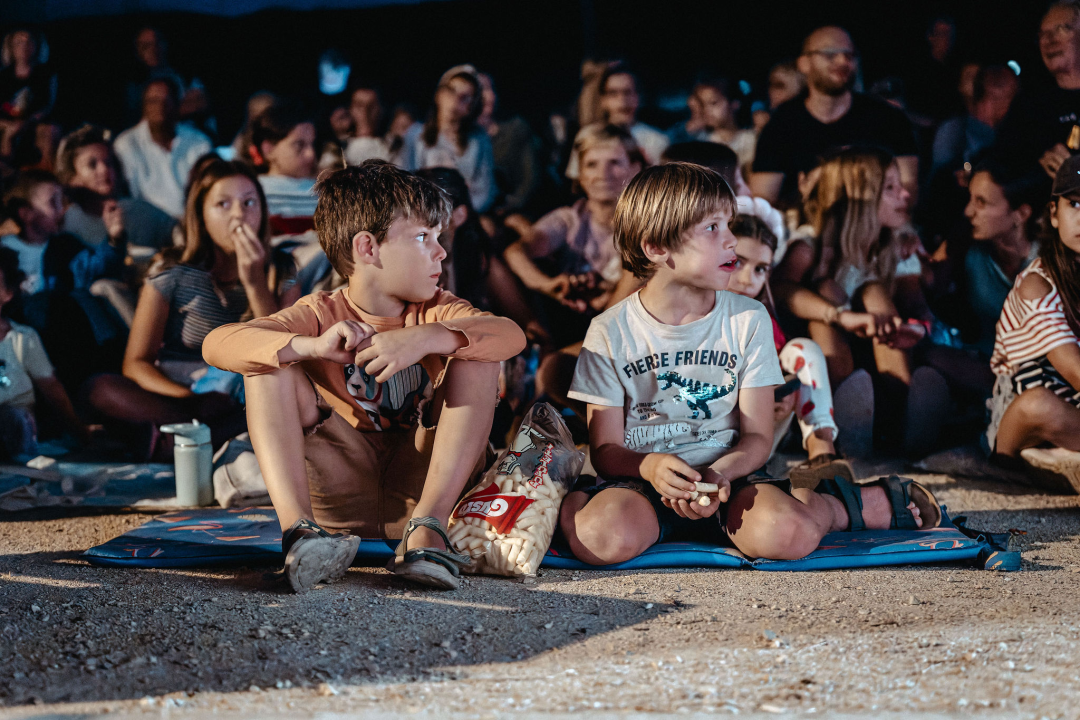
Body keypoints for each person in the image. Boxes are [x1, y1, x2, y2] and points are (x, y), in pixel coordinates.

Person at [558, 162, 939, 566]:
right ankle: (573, 502)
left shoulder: (748, 318)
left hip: (728, 480)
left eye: (730, 225)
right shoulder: (609, 330)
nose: (732, 242)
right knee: (599, 539)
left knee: (790, 535)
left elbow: (757, 437)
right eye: (713, 228)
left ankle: (840, 506)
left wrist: (718, 475)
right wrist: (649, 466)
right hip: (640, 482)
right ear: (656, 247)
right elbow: (604, 449)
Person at [202, 160, 526, 592]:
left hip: (421, 487)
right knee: (265, 361)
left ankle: (427, 533)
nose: (440, 251)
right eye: (422, 238)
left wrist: (427, 337)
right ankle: (301, 535)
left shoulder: (438, 308)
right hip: (340, 489)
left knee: (477, 350)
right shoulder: (320, 313)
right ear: (368, 248)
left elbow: (511, 335)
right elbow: (218, 343)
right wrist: (311, 347)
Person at [86, 157, 299, 455]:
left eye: (249, 203)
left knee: (288, 403)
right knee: (101, 389)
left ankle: (176, 442)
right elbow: (136, 363)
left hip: (246, 394)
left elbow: (279, 352)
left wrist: (255, 283)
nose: (239, 215)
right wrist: (192, 400)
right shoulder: (172, 271)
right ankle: (194, 434)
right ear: (201, 214)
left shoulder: (281, 270)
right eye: (223, 205)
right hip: (179, 393)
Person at [771, 147, 941, 454]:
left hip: (877, 359)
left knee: (873, 291)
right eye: (889, 188)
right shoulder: (812, 244)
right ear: (858, 199)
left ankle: (898, 410)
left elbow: (916, 304)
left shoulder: (893, 244)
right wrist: (837, 314)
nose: (904, 194)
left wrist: (918, 326)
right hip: (822, 362)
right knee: (826, 288)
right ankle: (842, 405)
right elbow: (780, 292)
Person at [726, 214, 853, 484]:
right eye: (738, 262)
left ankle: (822, 455)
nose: (749, 279)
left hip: (756, 434)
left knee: (802, 349)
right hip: (705, 437)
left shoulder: (761, 319)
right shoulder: (694, 313)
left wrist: (780, 396)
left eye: (761, 269)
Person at [504, 124, 644, 349]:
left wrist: (610, 291)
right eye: (591, 165)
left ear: (635, 169)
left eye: (614, 163)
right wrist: (549, 285)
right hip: (570, 318)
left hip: (623, 329)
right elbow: (516, 252)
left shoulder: (647, 223)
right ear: (580, 174)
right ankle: (538, 343)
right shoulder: (570, 219)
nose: (602, 173)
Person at [987, 155, 1080, 486]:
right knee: (1039, 403)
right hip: (1020, 416)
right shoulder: (1037, 282)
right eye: (1075, 205)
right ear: (1054, 214)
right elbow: (1074, 370)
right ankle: (1019, 463)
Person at [751, 26, 919, 206]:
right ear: (804, 64)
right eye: (830, 54)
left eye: (850, 55)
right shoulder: (781, 125)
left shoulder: (888, 118)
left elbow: (908, 186)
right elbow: (763, 200)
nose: (842, 61)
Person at [2, 169, 127, 390]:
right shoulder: (6, 249)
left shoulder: (65, 246)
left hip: (60, 326)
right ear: (26, 213)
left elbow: (95, 265)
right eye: (53, 203)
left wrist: (114, 239)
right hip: (22, 324)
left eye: (62, 201)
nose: (62, 211)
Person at [0, 246, 88, 459]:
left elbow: (52, 390)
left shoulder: (22, 338)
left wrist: (81, 433)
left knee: (12, 419)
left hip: (11, 434)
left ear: (8, 293)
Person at [55, 124, 176, 254]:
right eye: (92, 164)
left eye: (108, 162)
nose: (104, 169)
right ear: (72, 177)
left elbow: (177, 231)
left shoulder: (137, 211)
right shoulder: (66, 224)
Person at [993, 1, 1080, 180]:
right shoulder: (1030, 107)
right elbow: (1002, 162)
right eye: (1043, 34)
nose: (1049, 40)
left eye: (1061, 29)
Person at [114, 77, 212, 219]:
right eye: (153, 101)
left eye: (167, 101)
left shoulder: (199, 143)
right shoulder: (126, 145)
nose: (160, 106)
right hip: (149, 226)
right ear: (144, 106)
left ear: (178, 104)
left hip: (192, 221)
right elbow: (131, 199)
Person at [402, 65, 496, 213]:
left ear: (472, 106)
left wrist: (461, 212)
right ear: (439, 94)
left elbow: (485, 190)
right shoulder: (415, 134)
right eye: (451, 91)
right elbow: (404, 178)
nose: (456, 100)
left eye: (465, 97)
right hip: (423, 212)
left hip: (465, 214)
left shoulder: (478, 140)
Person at [248, 99, 318, 236]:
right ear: (269, 150)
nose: (311, 154)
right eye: (299, 145)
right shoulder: (254, 193)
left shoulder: (324, 193)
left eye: (312, 144)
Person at [477, 72, 541, 216]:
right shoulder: (461, 139)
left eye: (491, 89)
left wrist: (509, 207)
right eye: (481, 89)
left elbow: (530, 180)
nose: (490, 96)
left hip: (514, 211)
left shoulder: (514, 129)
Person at [593, 63, 668, 166]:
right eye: (613, 93)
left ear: (639, 96)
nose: (622, 100)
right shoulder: (588, 137)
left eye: (627, 92)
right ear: (603, 100)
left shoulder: (657, 141)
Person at [0, 29, 57, 160]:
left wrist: (28, 121)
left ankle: (43, 173)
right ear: (11, 47)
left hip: (34, 121)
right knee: (9, 132)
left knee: (51, 130)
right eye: (18, 42)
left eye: (29, 41)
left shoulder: (45, 74)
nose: (24, 46)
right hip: (6, 122)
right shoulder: (3, 76)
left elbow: (48, 105)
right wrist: (10, 124)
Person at [697, 78, 756, 170]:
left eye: (713, 103)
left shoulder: (752, 140)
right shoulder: (703, 143)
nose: (706, 110)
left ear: (734, 103)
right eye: (703, 104)